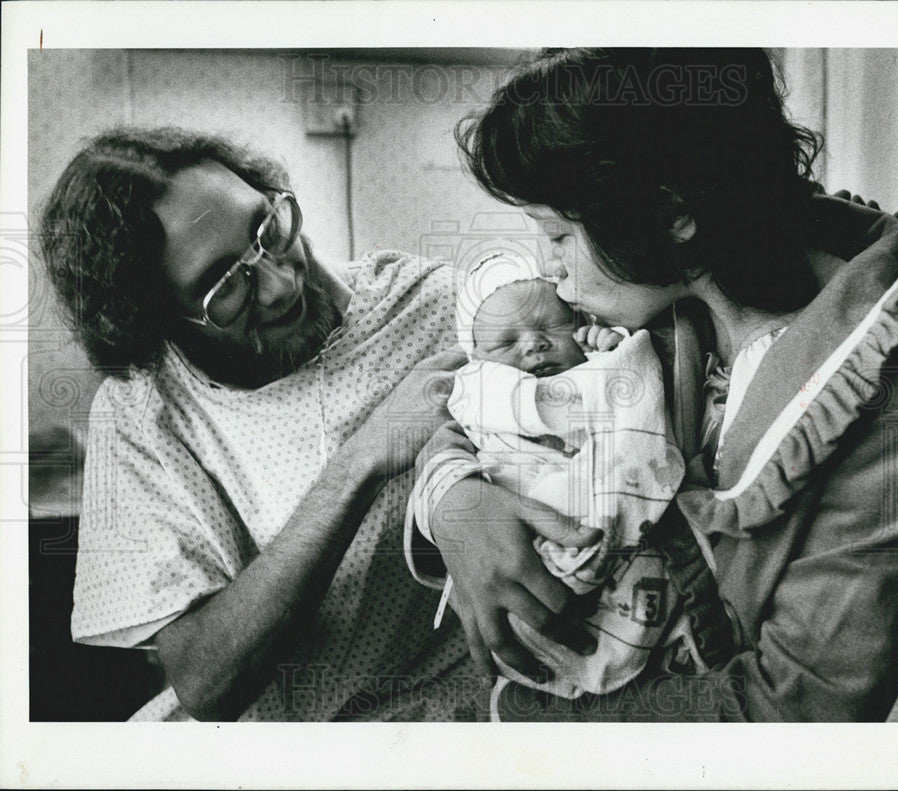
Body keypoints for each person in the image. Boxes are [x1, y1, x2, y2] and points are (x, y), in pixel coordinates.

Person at [407, 48, 898, 721]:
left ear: (671, 212)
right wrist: (452, 496)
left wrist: (535, 721)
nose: (549, 269)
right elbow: (464, 395)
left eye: (557, 234)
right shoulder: (644, 290)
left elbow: (794, 714)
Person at [39, 127, 599, 721]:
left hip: (468, 710)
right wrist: (362, 462)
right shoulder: (142, 415)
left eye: (268, 230)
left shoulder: (437, 307)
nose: (281, 284)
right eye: (226, 287)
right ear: (157, 325)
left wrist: (454, 500)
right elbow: (206, 682)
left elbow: (592, 407)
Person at [406, 252, 734, 708]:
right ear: (479, 359)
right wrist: (448, 489)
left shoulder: (604, 364)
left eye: (550, 327)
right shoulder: (480, 400)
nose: (534, 345)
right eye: (506, 342)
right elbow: (446, 454)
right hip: (528, 524)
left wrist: (608, 348)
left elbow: (629, 392)